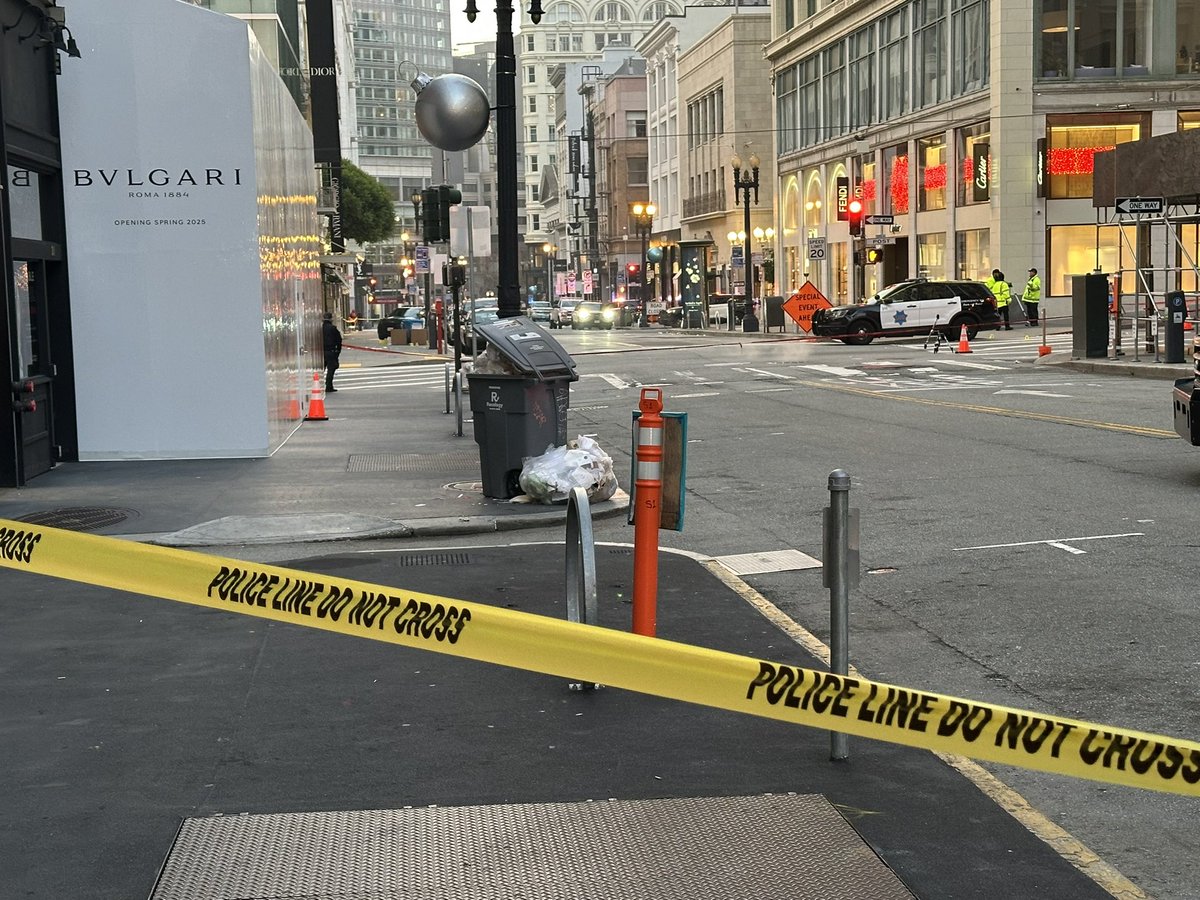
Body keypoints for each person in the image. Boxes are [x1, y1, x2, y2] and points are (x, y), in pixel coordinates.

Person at [322, 312, 342, 393]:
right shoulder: (333, 328)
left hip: (322, 351)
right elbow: (338, 340)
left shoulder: (320, 328)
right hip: (331, 351)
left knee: (321, 369)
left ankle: (317, 385)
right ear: (331, 319)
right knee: (331, 369)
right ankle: (329, 386)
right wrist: (337, 352)